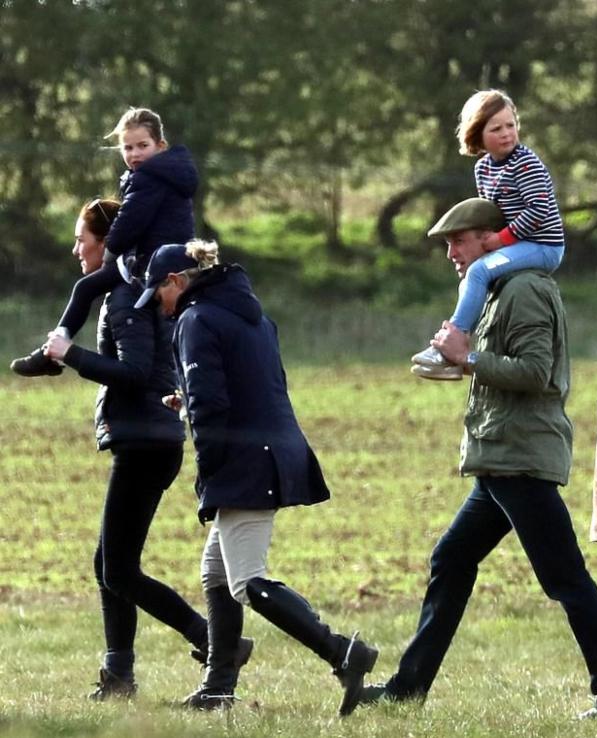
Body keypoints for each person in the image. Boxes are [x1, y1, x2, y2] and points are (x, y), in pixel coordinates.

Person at [353, 197, 597, 720]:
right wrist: (458, 362)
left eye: (457, 242)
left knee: (566, 580)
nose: (450, 254)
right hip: (500, 459)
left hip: (522, 457)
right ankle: (407, 689)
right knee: (452, 559)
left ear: (492, 239)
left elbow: (537, 372)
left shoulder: (527, 289)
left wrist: (469, 358)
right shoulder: (493, 291)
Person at [134, 241, 379, 716]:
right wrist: (191, 402)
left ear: (176, 282)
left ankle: (344, 654)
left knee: (247, 581)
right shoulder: (250, 314)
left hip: (243, 460)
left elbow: (212, 405)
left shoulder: (195, 319)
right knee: (217, 572)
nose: (159, 309)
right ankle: (218, 686)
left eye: (158, 295)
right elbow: (249, 387)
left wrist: (208, 473)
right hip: (270, 449)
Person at [44, 200, 251, 700]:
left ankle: (211, 638)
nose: (77, 248)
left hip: (145, 441)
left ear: (107, 240)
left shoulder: (123, 299)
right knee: (109, 564)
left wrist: (72, 356)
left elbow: (136, 373)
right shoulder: (135, 293)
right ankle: (118, 675)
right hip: (148, 440)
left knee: (116, 568)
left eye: (82, 238)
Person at [12, 107, 198, 378]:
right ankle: (50, 351)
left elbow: (129, 223)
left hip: (151, 262)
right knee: (86, 288)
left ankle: (53, 351)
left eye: (142, 146)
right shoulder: (170, 175)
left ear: (161, 146)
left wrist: (110, 250)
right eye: (128, 147)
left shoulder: (149, 178)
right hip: (168, 256)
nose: (134, 154)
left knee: (85, 287)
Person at [411, 89, 565, 381]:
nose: (507, 133)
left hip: (543, 245)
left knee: (480, 271)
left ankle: (450, 346)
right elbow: (489, 214)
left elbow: (538, 210)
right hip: (517, 242)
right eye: (496, 128)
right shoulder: (483, 168)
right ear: (477, 134)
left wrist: (498, 241)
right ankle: (459, 349)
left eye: (511, 125)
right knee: (473, 276)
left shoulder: (526, 164)